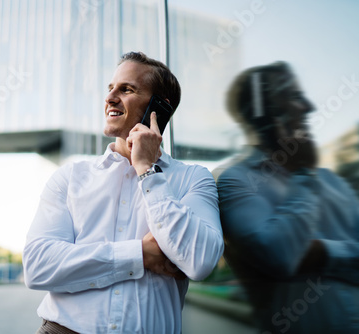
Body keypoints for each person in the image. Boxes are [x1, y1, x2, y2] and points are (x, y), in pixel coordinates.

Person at [23, 51, 224, 333]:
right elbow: (38, 266)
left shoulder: (193, 179)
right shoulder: (70, 178)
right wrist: (139, 254)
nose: (110, 98)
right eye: (110, 88)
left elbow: (200, 260)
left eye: (126, 89)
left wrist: (147, 170)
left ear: (159, 108)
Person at [214, 61, 359, 333]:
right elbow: (281, 256)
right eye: (294, 96)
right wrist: (302, 175)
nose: (309, 107)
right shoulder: (238, 181)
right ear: (261, 114)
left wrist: (323, 252)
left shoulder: (334, 182)